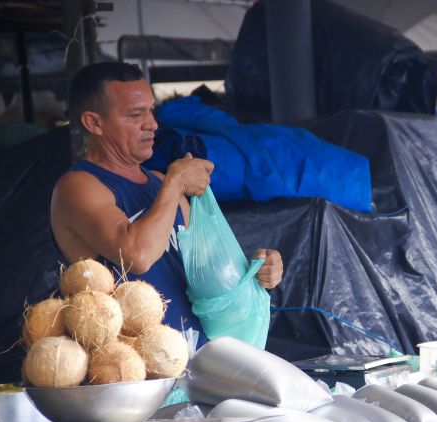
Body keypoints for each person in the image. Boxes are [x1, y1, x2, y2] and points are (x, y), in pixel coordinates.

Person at [51, 62, 283, 346]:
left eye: (151, 110)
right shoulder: (79, 187)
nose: (152, 124)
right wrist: (174, 184)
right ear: (94, 123)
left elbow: (208, 271)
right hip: (130, 372)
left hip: (194, 364)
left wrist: (256, 270)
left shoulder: (161, 183)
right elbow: (138, 255)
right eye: (136, 115)